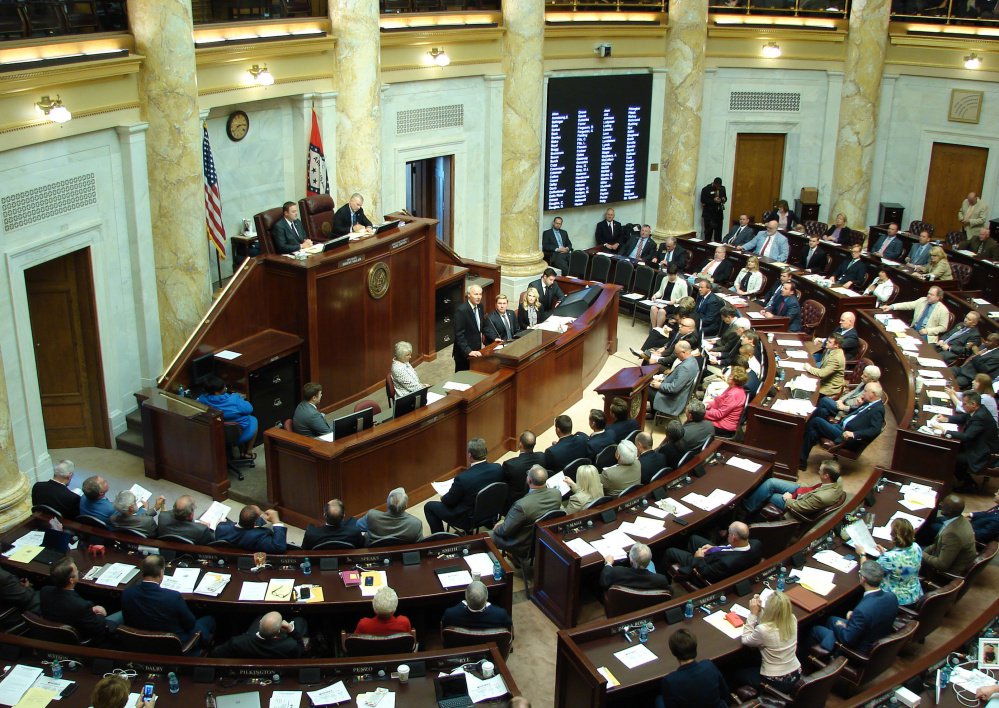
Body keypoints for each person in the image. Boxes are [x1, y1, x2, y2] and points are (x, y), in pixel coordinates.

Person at [121, 554, 215, 649]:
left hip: (139, 642)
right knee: (209, 620)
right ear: (161, 572)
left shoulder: (127, 593)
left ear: (143, 572)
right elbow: (190, 624)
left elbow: (127, 621)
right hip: (173, 644)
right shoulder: (173, 597)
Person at [808, 560, 897, 653]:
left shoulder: (862, 610)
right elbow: (874, 614)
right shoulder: (892, 597)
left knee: (816, 629)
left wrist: (841, 626)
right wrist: (853, 618)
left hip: (860, 650)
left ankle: (817, 659)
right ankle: (829, 646)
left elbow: (847, 639)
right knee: (831, 619)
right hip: (876, 636)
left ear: (863, 579)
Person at [424, 438, 503, 533]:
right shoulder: (498, 468)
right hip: (491, 513)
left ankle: (441, 540)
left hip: (469, 519)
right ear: (485, 452)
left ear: (469, 455)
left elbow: (449, 502)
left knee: (429, 506)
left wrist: (443, 497)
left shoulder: (463, 478)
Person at [800, 382, 885, 469]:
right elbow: (856, 413)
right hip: (840, 427)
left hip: (846, 437)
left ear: (872, 394)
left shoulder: (878, 409)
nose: (863, 393)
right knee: (813, 433)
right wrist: (857, 405)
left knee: (816, 421)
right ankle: (801, 461)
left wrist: (854, 434)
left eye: (865, 391)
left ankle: (798, 437)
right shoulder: (870, 402)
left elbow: (875, 430)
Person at [40, 558, 121, 643]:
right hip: (83, 638)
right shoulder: (80, 606)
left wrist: (91, 610)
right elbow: (98, 627)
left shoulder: (44, 591)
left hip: (56, 634)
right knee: (122, 613)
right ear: (71, 580)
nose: (78, 571)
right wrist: (100, 614)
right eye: (76, 570)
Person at [932, 391, 999, 493]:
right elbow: (963, 418)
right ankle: (960, 480)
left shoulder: (980, 416)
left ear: (974, 405)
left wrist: (945, 431)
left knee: (951, 456)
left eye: (964, 404)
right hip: (975, 446)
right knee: (951, 451)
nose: (962, 406)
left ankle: (967, 484)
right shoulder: (977, 410)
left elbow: (967, 436)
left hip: (981, 454)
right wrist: (946, 419)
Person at [736, 591, 801, 692]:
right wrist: (760, 610)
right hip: (795, 673)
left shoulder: (763, 630)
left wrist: (753, 614)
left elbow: (746, 640)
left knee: (735, 674)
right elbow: (771, 622)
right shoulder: (792, 619)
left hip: (775, 682)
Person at [491, 465, 561, 556]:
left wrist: (498, 528)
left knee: (487, 536)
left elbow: (505, 531)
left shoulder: (521, 506)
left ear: (529, 480)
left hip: (522, 544)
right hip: (543, 537)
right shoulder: (557, 493)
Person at [854, 518, 923, 607]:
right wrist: (884, 554)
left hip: (896, 600)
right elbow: (901, 561)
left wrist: (862, 554)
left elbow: (866, 572)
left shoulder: (889, 558)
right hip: (915, 593)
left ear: (894, 536)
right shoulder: (916, 547)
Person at [663, 521, 761, 583]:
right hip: (720, 554)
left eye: (729, 534)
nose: (727, 535)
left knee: (670, 551)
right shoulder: (756, 543)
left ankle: (666, 578)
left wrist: (699, 558)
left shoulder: (727, 563)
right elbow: (732, 548)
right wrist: (716, 548)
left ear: (733, 538)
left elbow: (706, 573)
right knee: (694, 539)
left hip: (706, 564)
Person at [744, 460, 843, 519]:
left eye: (820, 470)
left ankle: (745, 510)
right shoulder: (838, 479)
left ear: (826, 476)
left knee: (771, 495)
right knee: (771, 482)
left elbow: (800, 507)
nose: (818, 471)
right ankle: (749, 503)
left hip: (797, 502)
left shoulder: (821, 497)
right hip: (805, 491)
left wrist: (788, 499)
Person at [658, 629, 729, 708]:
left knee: (659, 700)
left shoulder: (670, 681)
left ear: (673, 652)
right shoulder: (709, 665)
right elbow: (725, 694)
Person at [198, 374, 258, 457]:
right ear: (216, 392)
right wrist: (240, 399)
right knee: (253, 419)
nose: (225, 388)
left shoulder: (202, 399)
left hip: (216, 433)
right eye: (223, 387)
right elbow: (249, 409)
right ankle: (248, 451)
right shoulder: (234, 399)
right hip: (236, 434)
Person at [211, 611, 309, 659]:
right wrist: (291, 629)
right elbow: (301, 648)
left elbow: (216, 653)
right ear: (279, 631)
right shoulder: (289, 646)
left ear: (260, 622)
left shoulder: (237, 642)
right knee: (299, 621)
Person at [920, 495, 977, 575]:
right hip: (941, 554)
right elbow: (938, 544)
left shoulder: (952, 534)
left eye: (944, 504)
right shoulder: (960, 520)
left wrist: (919, 553)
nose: (940, 504)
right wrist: (922, 551)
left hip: (944, 574)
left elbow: (942, 565)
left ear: (949, 511)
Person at [814, 365, 881, 422]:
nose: (862, 376)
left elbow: (859, 408)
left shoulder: (871, 392)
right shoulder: (865, 381)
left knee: (824, 400)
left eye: (865, 376)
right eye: (863, 374)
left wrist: (843, 407)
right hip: (843, 404)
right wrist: (841, 400)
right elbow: (853, 392)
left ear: (872, 380)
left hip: (847, 411)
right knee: (823, 411)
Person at [883, 285, 950, 342]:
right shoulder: (922, 300)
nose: (928, 296)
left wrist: (927, 331)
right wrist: (891, 307)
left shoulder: (943, 310)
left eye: (931, 295)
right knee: (893, 337)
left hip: (926, 335)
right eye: (928, 293)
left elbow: (943, 327)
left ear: (938, 297)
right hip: (913, 329)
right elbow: (908, 305)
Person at [650, 342, 699, 419]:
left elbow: (674, 388)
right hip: (678, 394)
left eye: (676, 353)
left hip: (672, 399)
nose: (676, 355)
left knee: (645, 388)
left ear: (683, 352)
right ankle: (653, 412)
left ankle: (647, 415)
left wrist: (660, 385)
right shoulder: (693, 360)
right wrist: (663, 379)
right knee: (651, 382)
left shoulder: (685, 368)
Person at [599, 542, 670, 592]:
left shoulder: (617, 572)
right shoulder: (661, 580)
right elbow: (669, 593)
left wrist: (608, 563)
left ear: (631, 561)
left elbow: (604, 582)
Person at [501, 431, 546, 509]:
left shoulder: (510, 465)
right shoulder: (542, 457)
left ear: (520, 444)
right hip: (540, 497)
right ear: (534, 444)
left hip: (518, 503)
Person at [442, 580, 512, 630]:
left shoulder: (450, 614)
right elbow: (509, 627)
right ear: (487, 597)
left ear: (465, 596)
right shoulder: (501, 614)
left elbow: (444, 626)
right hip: (492, 647)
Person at [215, 504, 288, 553]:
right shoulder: (260, 535)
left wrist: (222, 523)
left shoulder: (221, 528)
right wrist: (276, 521)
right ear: (255, 524)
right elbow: (279, 547)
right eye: (260, 514)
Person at [704, 367, 748, 436]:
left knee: (695, 420)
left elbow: (719, 414)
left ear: (734, 380)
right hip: (721, 420)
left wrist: (703, 413)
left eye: (730, 375)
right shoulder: (732, 388)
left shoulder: (734, 394)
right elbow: (719, 402)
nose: (728, 376)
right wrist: (707, 405)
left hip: (724, 427)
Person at [453, 284, 485, 372]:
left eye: (480, 294)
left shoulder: (480, 307)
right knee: (462, 380)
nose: (478, 297)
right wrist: (469, 351)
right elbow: (459, 335)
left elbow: (481, 327)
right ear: (468, 295)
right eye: (476, 294)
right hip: (464, 353)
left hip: (476, 349)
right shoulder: (461, 311)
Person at [805, 332, 846, 397]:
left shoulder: (836, 358)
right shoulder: (830, 349)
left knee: (806, 392)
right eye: (827, 340)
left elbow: (822, 373)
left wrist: (809, 368)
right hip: (824, 379)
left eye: (829, 342)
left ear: (836, 345)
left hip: (829, 387)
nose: (826, 342)